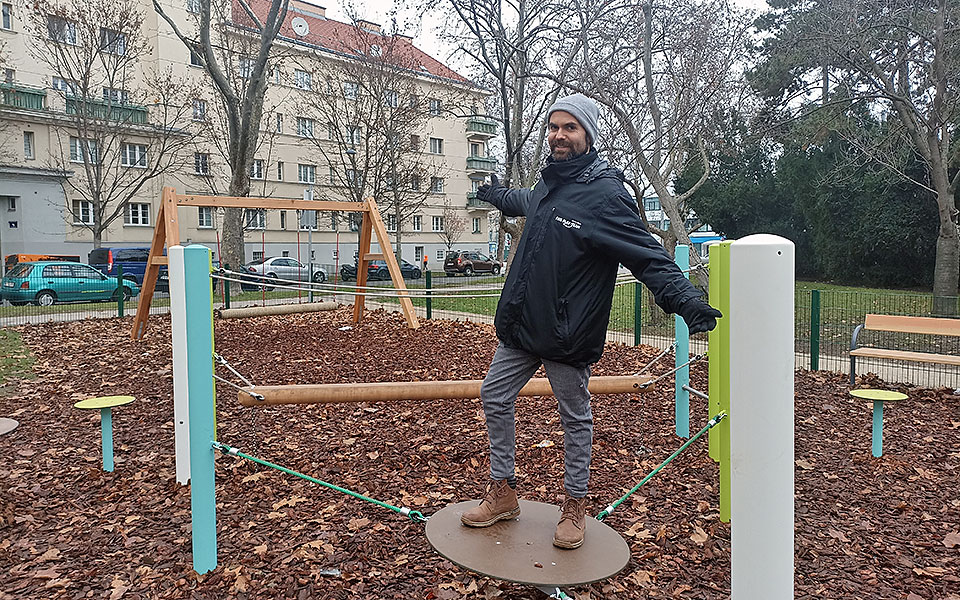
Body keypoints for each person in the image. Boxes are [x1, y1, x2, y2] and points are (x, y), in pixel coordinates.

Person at [459, 93, 722, 549]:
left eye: (570, 128)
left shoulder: (606, 195)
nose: (559, 135)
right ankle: (502, 493)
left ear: (587, 136)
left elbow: (647, 255)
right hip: (523, 326)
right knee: (493, 395)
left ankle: (574, 507)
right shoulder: (548, 186)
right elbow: (524, 200)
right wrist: (494, 194)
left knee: (574, 417)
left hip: (566, 333)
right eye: (554, 127)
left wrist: (684, 299)